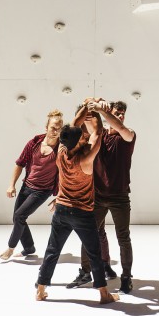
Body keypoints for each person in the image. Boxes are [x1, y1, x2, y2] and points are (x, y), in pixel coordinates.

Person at [35, 103, 124, 304]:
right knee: (94, 254)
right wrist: (97, 111)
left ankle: (40, 290)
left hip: (61, 212)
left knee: (52, 251)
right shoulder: (86, 159)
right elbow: (99, 134)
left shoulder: (61, 153)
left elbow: (73, 126)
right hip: (82, 214)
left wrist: (85, 106)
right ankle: (104, 294)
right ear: (78, 141)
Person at [71, 100, 137, 294]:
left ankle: (126, 278)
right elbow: (79, 127)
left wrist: (102, 110)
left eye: (123, 112)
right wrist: (90, 105)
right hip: (98, 196)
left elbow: (120, 126)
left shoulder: (128, 136)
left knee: (123, 238)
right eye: (117, 112)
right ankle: (85, 272)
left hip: (120, 197)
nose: (121, 115)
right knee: (88, 235)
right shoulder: (97, 137)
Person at [0, 109, 62, 260]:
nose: (56, 131)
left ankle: (10, 248)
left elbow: (66, 174)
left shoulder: (61, 149)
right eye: (53, 127)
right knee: (17, 218)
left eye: (59, 128)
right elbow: (19, 164)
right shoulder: (33, 143)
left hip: (42, 190)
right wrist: (11, 185)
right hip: (26, 186)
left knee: (20, 215)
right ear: (46, 127)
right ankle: (29, 247)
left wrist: (59, 196)